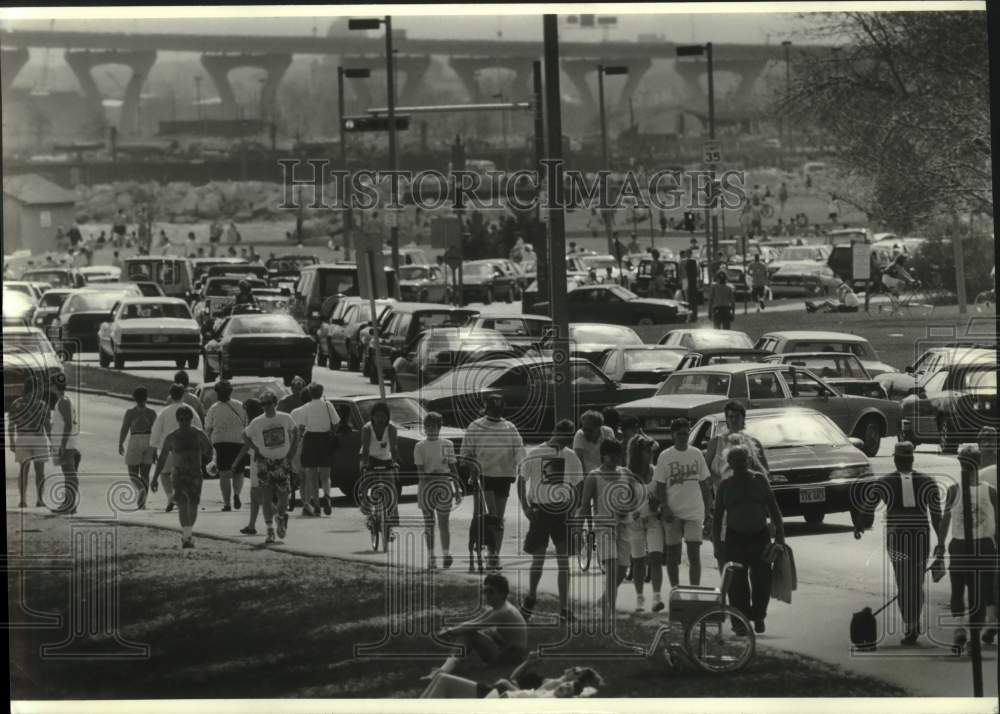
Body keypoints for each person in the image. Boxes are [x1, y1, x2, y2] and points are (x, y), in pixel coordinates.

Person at [851, 441, 943, 645]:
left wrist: (859, 527)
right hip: (920, 537)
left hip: (898, 539)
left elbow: (868, 508)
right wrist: (941, 542)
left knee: (903, 581)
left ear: (894, 458)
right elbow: (937, 516)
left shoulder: (885, 482)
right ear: (912, 458)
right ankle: (913, 622)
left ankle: (910, 625)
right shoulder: (928, 481)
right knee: (916, 582)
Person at [712, 446, 786, 634]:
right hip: (734, 538)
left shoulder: (759, 480)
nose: (741, 464)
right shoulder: (725, 485)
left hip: (759, 536)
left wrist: (779, 538)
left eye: (743, 460)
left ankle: (759, 615)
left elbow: (775, 509)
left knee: (762, 579)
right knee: (736, 584)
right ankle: (740, 622)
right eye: (736, 461)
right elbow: (718, 516)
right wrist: (717, 544)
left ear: (749, 460)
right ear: (729, 463)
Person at [517, 419, 584, 622]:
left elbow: (578, 483)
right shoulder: (536, 453)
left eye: (569, 435)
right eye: (562, 434)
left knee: (563, 561)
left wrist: (573, 507)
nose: (565, 439)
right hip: (540, 510)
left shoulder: (570, 456)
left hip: (561, 512)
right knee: (539, 558)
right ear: (555, 432)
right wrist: (526, 508)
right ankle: (531, 597)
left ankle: (564, 608)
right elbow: (521, 480)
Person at [936, 444, 999, 651]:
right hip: (983, 547)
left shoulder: (955, 490)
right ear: (978, 464)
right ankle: (975, 633)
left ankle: (960, 629)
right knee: (981, 592)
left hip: (961, 546)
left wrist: (940, 545)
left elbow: (944, 521)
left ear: (961, 465)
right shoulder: (990, 492)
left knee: (958, 588)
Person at [461, 394, 526, 570]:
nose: (496, 413)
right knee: (493, 516)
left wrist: (522, 464)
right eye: (493, 409)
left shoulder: (509, 427)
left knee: (498, 518)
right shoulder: (476, 426)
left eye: (499, 409)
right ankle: (486, 550)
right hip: (484, 475)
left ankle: (494, 553)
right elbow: (466, 452)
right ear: (486, 408)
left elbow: (519, 449)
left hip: (504, 476)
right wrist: (471, 465)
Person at [577, 439, 636, 620]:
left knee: (623, 569)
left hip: (624, 526)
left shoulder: (626, 473)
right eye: (611, 456)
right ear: (603, 456)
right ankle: (608, 615)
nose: (615, 460)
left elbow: (634, 499)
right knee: (611, 568)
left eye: (618, 456)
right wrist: (578, 529)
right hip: (604, 527)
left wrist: (628, 507)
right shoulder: (594, 476)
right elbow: (585, 505)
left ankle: (604, 599)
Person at [425, 573, 527, 678]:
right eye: (485, 591)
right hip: (509, 653)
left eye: (491, 592)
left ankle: (444, 670)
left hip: (511, 658)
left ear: (502, 593)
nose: (487, 595)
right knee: (469, 633)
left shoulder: (503, 612)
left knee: (470, 634)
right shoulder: (499, 607)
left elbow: (475, 626)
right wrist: (451, 630)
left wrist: (450, 631)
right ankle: (445, 669)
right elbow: (473, 621)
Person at [654, 418, 713, 590]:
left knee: (694, 554)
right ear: (673, 434)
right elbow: (660, 486)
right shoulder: (665, 456)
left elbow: (705, 485)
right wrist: (665, 508)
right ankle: (676, 590)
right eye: (679, 433)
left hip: (694, 511)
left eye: (685, 433)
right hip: (673, 512)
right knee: (673, 555)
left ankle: (694, 590)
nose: (682, 437)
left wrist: (708, 511)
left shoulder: (696, 454)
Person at [235, 390, 299, 544]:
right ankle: (270, 530)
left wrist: (291, 453)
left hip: (282, 461)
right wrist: (256, 449)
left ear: (275, 403)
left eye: (268, 403)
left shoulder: (285, 418)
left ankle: (281, 517)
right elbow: (244, 435)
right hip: (265, 462)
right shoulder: (257, 421)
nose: (266, 407)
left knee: (284, 496)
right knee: (267, 497)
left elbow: (295, 432)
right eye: (263, 404)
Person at [151, 406, 213, 548]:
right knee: (183, 504)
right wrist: (154, 478)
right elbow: (162, 459)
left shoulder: (198, 434)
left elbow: (209, 450)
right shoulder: (172, 437)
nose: (184, 422)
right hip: (179, 473)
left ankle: (188, 532)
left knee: (194, 503)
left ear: (191, 419)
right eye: (181, 419)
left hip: (195, 473)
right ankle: (187, 536)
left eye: (187, 419)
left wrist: (211, 461)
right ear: (177, 420)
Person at [415, 411, 461, 570]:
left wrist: (458, 488)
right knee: (429, 524)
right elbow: (420, 470)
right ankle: (431, 557)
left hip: (443, 483)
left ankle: (446, 554)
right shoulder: (420, 446)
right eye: (428, 426)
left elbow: (453, 467)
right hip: (427, 484)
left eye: (434, 426)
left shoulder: (447, 444)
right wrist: (426, 483)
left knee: (444, 523)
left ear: (440, 427)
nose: (431, 429)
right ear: (424, 428)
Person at [151, 383, 205, 513]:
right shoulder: (189, 410)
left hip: (168, 448)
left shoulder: (164, 412)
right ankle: (183, 497)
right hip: (188, 449)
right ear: (183, 394)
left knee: (165, 474)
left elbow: (156, 431)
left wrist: (154, 448)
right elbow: (199, 427)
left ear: (170, 394)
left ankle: (170, 496)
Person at [625, 427, 661, 612]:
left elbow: (663, 498)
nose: (651, 455)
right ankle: (639, 598)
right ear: (638, 453)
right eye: (648, 452)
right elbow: (622, 503)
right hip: (635, 522)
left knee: (655, 557)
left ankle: (656, 597)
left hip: (653, 519)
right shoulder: (628, 475)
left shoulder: (656, 472)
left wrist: (658, 506)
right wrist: (632, 512)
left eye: (651, 451)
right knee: (638, 561)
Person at [295, 382, 340, 517]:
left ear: (310, 393)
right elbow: (336, 422)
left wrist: (298, 442)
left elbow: (301, 427)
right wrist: (332, 432)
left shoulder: (306, 407)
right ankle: (327, 495)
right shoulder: (328, 404)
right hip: (325, 439)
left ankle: (317, 505)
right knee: (325, 475)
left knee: (311, 475)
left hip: (310, 440)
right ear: (321, 392)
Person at [359, 400, 401, 537]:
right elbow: (365, 448)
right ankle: (366, 504)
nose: (380, 419)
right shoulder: (367, 428)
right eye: (377, 416)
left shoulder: (392, 428)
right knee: (367, 479)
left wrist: (394, 462)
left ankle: (390, 524)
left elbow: (394, 448)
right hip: (369, 457)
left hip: (385, 458)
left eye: (383, 416)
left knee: (391, 486)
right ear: (372, 417)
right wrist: (365, 464)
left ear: (387, 417)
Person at [204, 380, 247, 512]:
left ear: (217, 393)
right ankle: (237, 494)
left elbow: (208, 428)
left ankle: (227, 503)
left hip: (220, 443)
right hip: (238, 442)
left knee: (224, 473)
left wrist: (209, 446)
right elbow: (246, 423)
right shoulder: (240, 406)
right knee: (239, 472)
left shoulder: (214, 408)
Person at [7, 379, 51, 509]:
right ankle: (40, 499)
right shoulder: (42, 405)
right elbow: (47, 426)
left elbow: (11, 425)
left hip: (22, 438)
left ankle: (23, 500)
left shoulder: (16, 404)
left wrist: (11, 441)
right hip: (38, 438)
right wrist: (53, 442)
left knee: (23, 470)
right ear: (35, 389)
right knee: (40, 472)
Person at [119, 387, 157, 510]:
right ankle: (143, 502)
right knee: (145, 474)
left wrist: (121, 443)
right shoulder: (152, 413)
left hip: (135, 439)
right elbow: (156, 432)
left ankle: (140, 488)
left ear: (134, 398)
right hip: (149, 440)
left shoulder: (130, 413)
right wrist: (155, 449)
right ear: (146, 398)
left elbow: (125, 429)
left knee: (133, 473)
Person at [49, 375, 80, 514]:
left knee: (70, 474)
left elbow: (68, 424)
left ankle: (70, 504)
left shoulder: (64, 401)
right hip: (63, 444)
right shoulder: (62, 401)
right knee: (67, 474)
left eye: (51, 385)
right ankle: (68, 503)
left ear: (55, 386)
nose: (49, 387)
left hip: (66, 445)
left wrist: (62, 444)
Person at [239, 398, 264, 535]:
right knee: (257, 495)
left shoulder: (253, 424)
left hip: (256, 461)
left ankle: (279, 514)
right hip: (267, 459)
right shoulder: (263, 421)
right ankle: (251, 525)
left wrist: (236, 462)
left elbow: (245, 442)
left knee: (257, 495)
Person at [288, 386, 314, 515]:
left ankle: (305, 502)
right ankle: (307, 503)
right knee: (308, 476)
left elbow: (291, 431)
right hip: (310, 445)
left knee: (302, 477)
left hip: (297, 445)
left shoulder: (294, 412)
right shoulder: (315, 411)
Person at [573, 410, 616, 474]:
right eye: (584, 429)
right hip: (587, 474)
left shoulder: (608, 432)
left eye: (589, 430)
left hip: (605, 473)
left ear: (599, 427)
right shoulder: (580, 434)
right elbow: (579, 460)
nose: (586, 433)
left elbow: (613, 454)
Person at [683, 249, 701, 322]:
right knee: (693, 301)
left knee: (691, 301)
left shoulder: (690, 261)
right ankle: (694, 316)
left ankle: (693, 317)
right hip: (692, 282)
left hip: (691, 283)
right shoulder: (693, 261)